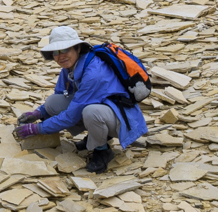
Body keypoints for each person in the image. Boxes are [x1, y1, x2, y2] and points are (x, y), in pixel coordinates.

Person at [13, 25, 148, 174]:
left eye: (65, 50)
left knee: (91, 112)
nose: (60, 56)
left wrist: (37, 129)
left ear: (77, 48)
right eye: (56, 52)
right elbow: (60, 94)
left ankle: (102, 151)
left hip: (122, 119)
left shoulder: (94, 72)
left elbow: (72, 115)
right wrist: (38, 113)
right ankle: (97, 136)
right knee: (53, 102)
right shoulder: (70, 67)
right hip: (104, 111)